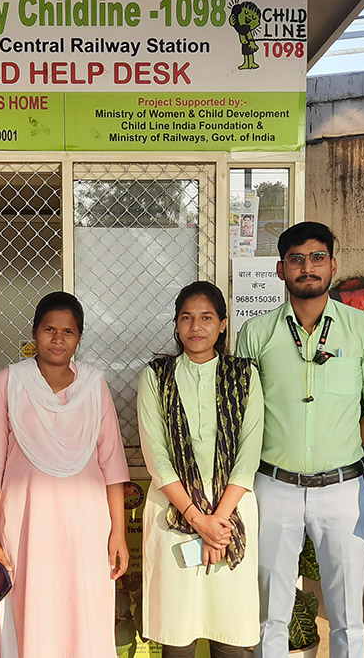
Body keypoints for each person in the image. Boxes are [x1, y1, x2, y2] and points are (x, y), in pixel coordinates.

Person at [236, 222, 364, 658]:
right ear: (280, 269)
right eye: (296, 259)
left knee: (347, 612)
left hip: (342, 490)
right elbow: (242, 417)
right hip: (273, 487)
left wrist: (339, 446)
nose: (307, 267)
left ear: (333, 265)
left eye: (317, 257)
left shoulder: (363, 330)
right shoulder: (256, 334)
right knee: (270, 608)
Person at [0, 291, 130, 658]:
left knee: (85, 613)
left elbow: (112, 465)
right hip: (26, 524)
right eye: (49, 330)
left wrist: (118, 533)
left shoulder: (94, 386)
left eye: (68, 332)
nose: (58, 339)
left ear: (79, 337)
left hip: (87, 527)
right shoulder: (8, 382)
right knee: (30, 611)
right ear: (34, 333)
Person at [137, 281, 264, 658]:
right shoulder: (155, 376)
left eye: (206, 317)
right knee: (178, 634)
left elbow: (249, 452)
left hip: (231, 514)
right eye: (187, 318)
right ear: (176, 325)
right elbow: (156, 456)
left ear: (223, 324)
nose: (196, 327)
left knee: (232, 635)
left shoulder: (245, 375)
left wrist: (217, 523)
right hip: (173, 512)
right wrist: (198, 519)